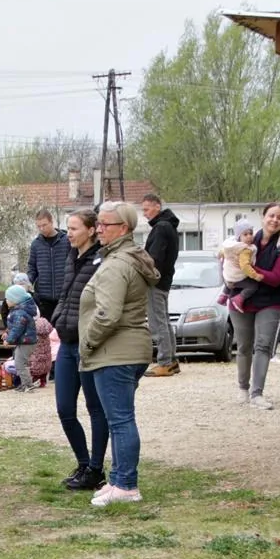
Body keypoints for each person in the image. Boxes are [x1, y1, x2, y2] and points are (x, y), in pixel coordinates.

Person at [80, 201, 161, 507]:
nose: (98, 229)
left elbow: (108, 314)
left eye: (105, 224)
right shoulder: (126, 257)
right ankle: (117, 480)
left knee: (121, 420)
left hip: (116, 351)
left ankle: (126, 485)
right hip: (128, 349)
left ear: (124, 228)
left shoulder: (116, 264)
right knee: (119, 419)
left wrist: (88, 343)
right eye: (98, 223)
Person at [51, 208, 109, 491]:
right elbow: (65, 293)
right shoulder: (70, 256)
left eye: (74, 228)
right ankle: (83, 463)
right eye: (68, 228)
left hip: (88, 344)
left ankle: (96, 469)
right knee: (64, 408)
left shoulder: (101, 260)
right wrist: (57, 317)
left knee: (95, 408)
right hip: (66, 342)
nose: (69, 234)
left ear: (91, 230)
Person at [223, 202, 280, 409]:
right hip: (241, 298)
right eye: (271, 215)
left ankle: (257, 393)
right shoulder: (245, 239)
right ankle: (243, 388)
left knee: (263, 345)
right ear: (263, 217)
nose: (274, 220)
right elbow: (227, 261)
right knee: (243, 345)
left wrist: (251, 270)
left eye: (279, 217)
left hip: (269, 301)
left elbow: (277, 278)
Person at [139, 193, 181, 376]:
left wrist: (145, 274)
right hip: (164, 281)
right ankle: (172, 360)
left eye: (147, 209)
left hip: (155, 282)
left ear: (157, 206)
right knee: (164, 320)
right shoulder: (168, 226)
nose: (145, 213)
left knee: (157, 322)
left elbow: (154, 259)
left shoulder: (161, 228)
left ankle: (165, 362)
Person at [26, 208, 71, 324]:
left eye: (44, 225)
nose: (42, 229)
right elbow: (32, 268)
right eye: (39, 226)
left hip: (64, 297)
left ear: (51, 222)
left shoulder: (67, 241)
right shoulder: (36, 244)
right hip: (43, 299)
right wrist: (27, 282)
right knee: (46, 331)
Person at [2, 284, 40, 391]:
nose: (6, 301)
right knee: (20, 362)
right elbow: (14, 326)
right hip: (24, 342)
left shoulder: (20, 313)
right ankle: (26, 383)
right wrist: (7, 332)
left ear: (15, 300)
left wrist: (8, 340)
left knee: (20, 363)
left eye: (8, 299)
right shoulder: (17, 310)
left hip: (26, 342)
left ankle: (27, 384)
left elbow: (17, 329)